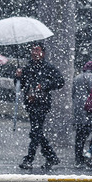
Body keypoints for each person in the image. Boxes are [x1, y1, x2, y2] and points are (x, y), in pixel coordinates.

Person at [16, 43, 64, 171]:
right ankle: (51, 156)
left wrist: (45, 85)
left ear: (43, 53)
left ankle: (29, 159)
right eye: (33, 50)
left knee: (35, 131)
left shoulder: (48, 67)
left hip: (42, 103)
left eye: (38, 50)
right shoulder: (27, 67)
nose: (35, 53)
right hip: (30, 103)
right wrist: (18, 76)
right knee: (37, 132)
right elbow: (20, 85)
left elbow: (60, 81)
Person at [71, 61, 92, 166]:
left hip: (78, 108)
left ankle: (78, 157)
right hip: (89, 108)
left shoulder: (77, 77)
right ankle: (90, 154)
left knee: (79, 135)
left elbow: (73, 93)